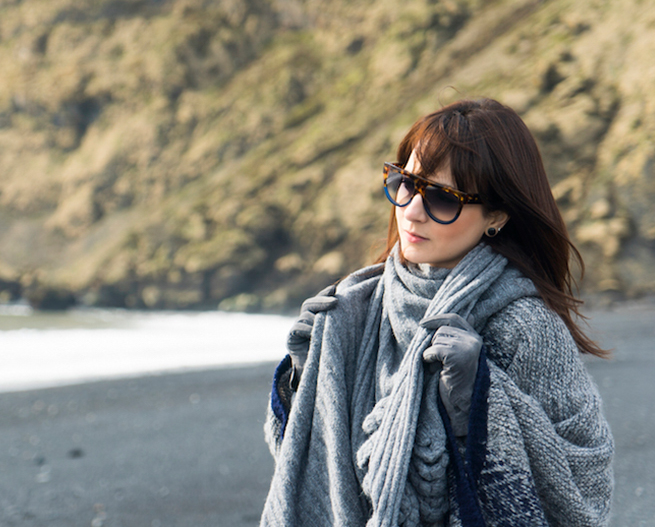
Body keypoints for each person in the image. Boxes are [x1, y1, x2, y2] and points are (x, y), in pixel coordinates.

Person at [261, 98, 614, 527]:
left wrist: (479, 401)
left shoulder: (526, 328)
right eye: (407, 183)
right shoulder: (357, 309)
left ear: (496, 216)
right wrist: (304, 377)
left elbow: (586, 493)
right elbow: (306, 471)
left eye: (443, 199)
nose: (411, 210)